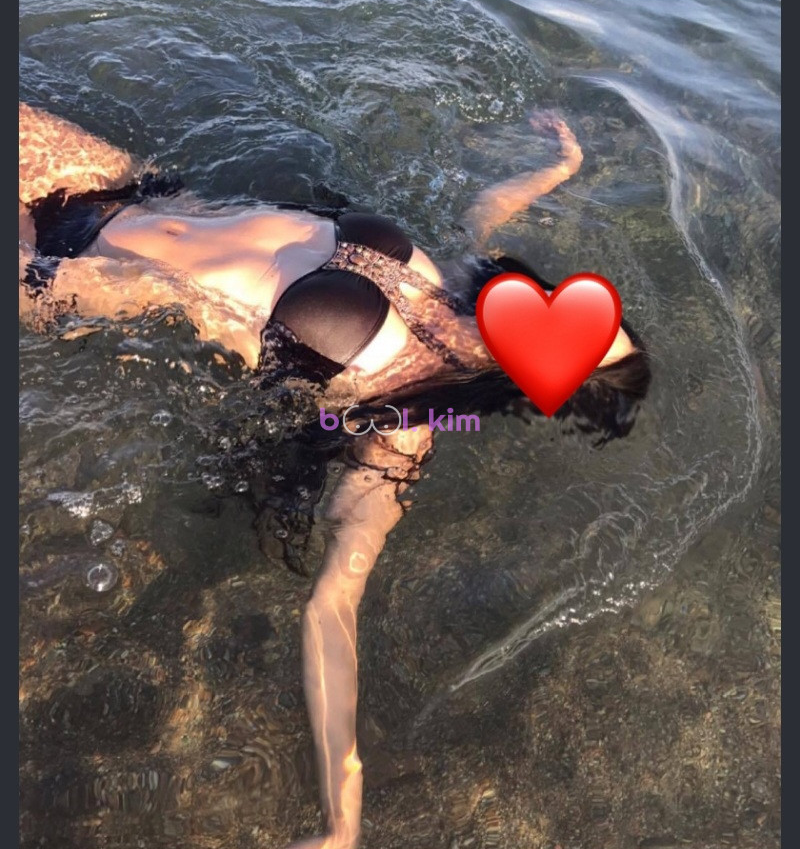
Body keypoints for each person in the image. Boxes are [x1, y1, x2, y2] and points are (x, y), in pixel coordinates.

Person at [19, 101, 651, 849]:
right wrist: (557, 168)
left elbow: (333, 605)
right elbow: (483, 212)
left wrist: (340, 818)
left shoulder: (401, 428)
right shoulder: (456, 282)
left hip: (55, 278)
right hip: (124, 190)